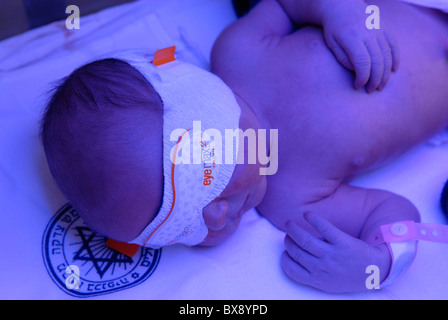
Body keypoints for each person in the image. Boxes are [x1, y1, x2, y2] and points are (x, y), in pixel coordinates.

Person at [40, 0, 448, 293]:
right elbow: (391, 212)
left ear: (196, 97)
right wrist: (377, 265)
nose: (215, 217)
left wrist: (338, 9)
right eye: (182, 230)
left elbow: (288, 5)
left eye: (199, 186)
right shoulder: (292, 202)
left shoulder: (238, 51)